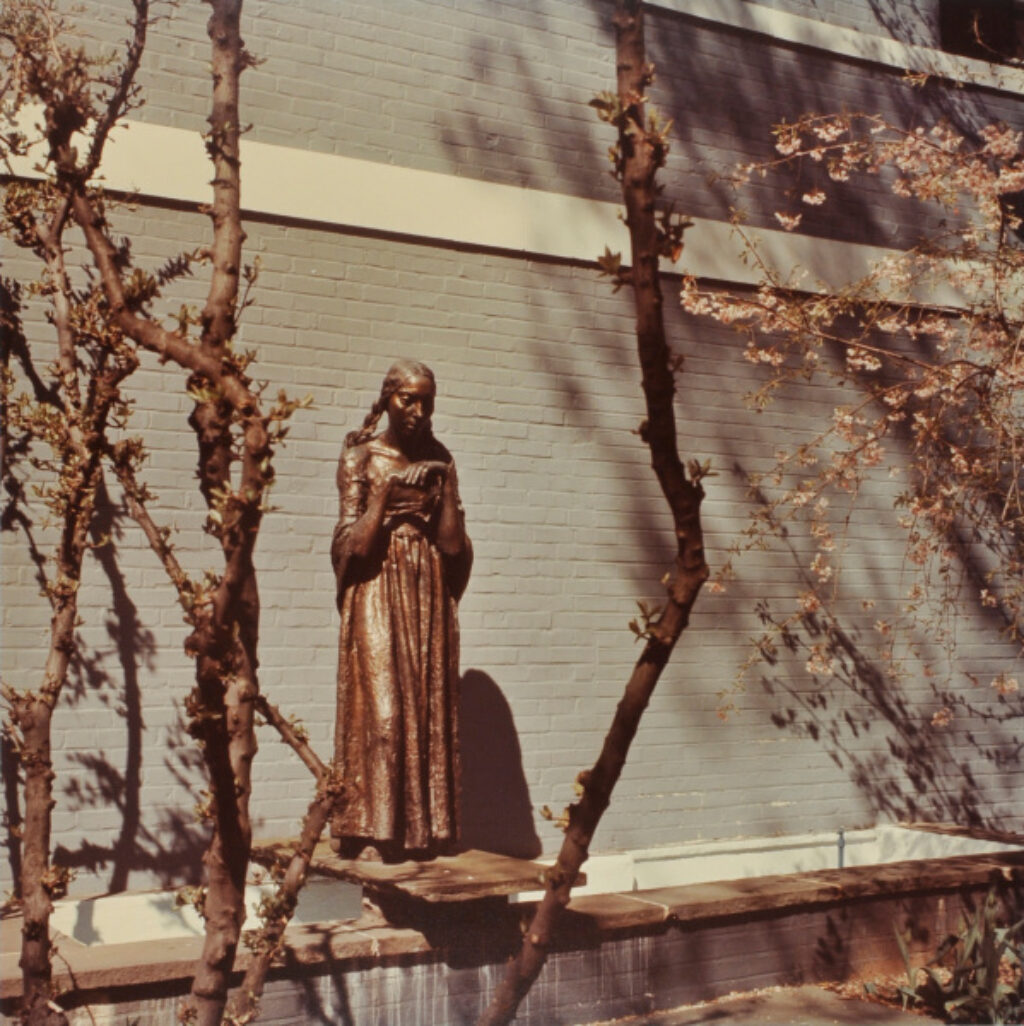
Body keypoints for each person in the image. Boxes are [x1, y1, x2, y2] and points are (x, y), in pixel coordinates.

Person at [330, 360, 472, 861]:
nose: (417, 411)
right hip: (376, 584)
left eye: (426, 401)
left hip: (426, 586)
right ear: (387, 398)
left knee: (428, 708)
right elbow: (349, 545)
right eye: (407, 399)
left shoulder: (440, 458)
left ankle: (423, 830)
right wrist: (387, 496)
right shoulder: (360, 457)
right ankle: (371, 828)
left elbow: (452, 547)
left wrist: (445, 486)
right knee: (383, 711)